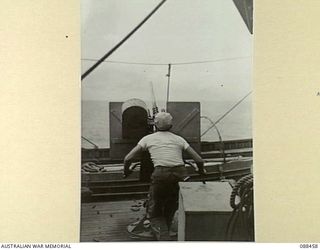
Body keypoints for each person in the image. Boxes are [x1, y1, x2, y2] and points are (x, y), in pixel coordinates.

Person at [124, 112, 205, 240]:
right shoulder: (179, 139)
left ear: (154, 125)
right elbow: (199, 160)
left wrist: (127, 171)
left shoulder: (147, 139)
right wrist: (201, 171)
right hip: (180, 173)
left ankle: (163, 239)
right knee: (172, 204)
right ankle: (165, 229)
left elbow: (127, 158)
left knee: (155, 210)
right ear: (171, 125)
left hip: (161, 174)